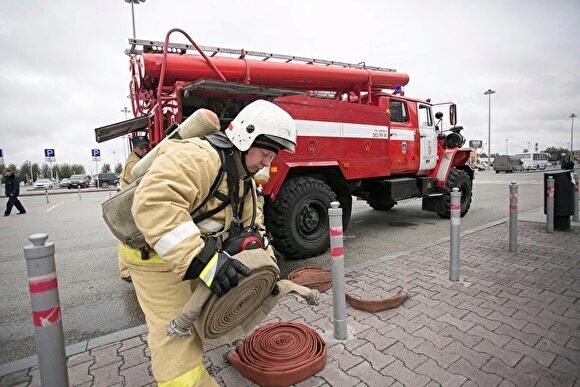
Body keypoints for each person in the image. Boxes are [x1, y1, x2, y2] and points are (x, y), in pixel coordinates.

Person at [122, 100, 296, 386]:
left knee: (203, 318)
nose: (268, 163)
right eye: (265, 153)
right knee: (176, 335)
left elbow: (254, 229)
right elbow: (153, 203)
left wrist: (268, 268)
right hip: (154, 257)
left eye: (272, 157)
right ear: (245, 138)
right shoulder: (199, 157)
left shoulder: (245, 179)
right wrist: (202, 258)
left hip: (186, 254)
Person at [117, 135, 150, 282]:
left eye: (145, 147)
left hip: (130, 198)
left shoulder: (137, 159)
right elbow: (138, 183)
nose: (144, 150)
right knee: (127, 236)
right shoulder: (133, 163)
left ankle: (129, 268)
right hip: (128, 200)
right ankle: (125, 270)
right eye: (141, 148)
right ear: (134, 148)